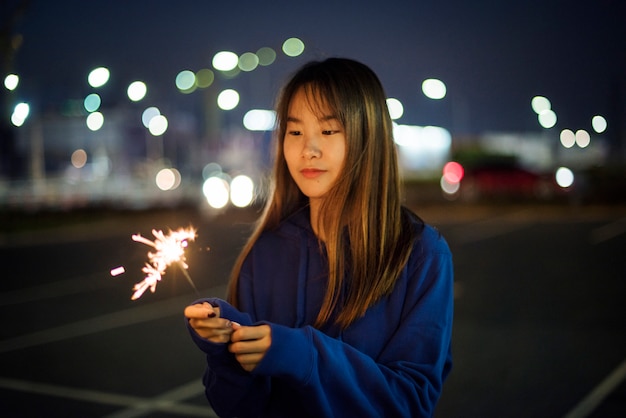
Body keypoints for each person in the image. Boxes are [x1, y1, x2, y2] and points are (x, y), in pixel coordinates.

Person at [184, 57, 453, 417]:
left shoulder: (419, 254)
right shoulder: (263, 253)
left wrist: (303, 356)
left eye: (328, 131)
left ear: (367, 138)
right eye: (294, 132)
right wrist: (228, 347)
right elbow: (237, 409)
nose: (307, 149)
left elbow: (410, 403)